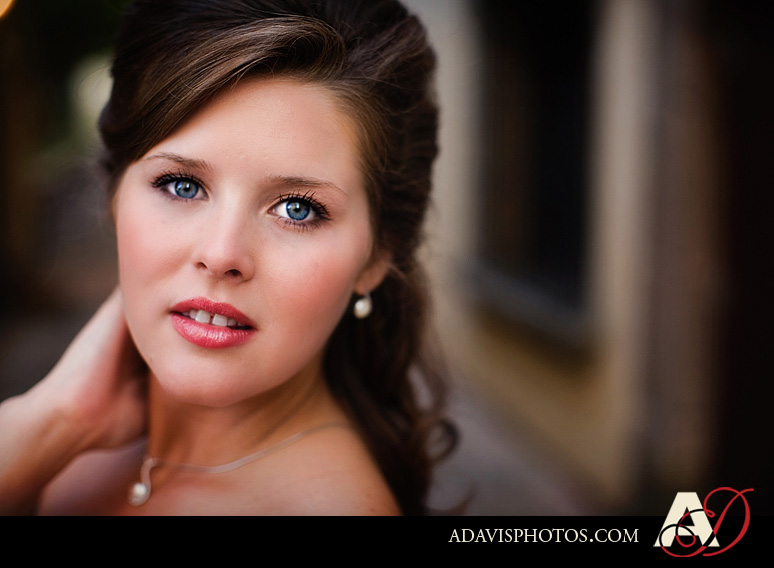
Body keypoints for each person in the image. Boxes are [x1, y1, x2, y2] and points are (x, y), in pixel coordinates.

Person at [0, 0, 455, 515]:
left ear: (377, 256)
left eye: (298, 209)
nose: (221, 255)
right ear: (113, 197)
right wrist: (51, 423)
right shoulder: (64, 450)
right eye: (181, 185)